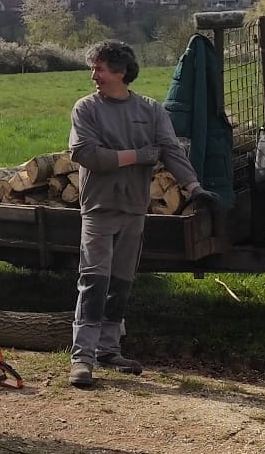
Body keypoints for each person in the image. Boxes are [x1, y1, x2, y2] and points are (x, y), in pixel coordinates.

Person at [66, 39, 211, 388]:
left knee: (121, 282)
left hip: (134, 208)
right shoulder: (86, 108)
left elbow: (171, 151)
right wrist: (137, 156)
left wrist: (194, 187)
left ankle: (108, 350)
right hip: (99, 207)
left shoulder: (150, 110)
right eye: (93, 69)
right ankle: (82, 359)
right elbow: (86, 154)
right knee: (94, 282)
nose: (93, 76)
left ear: (120, 72)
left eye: (99, 69)